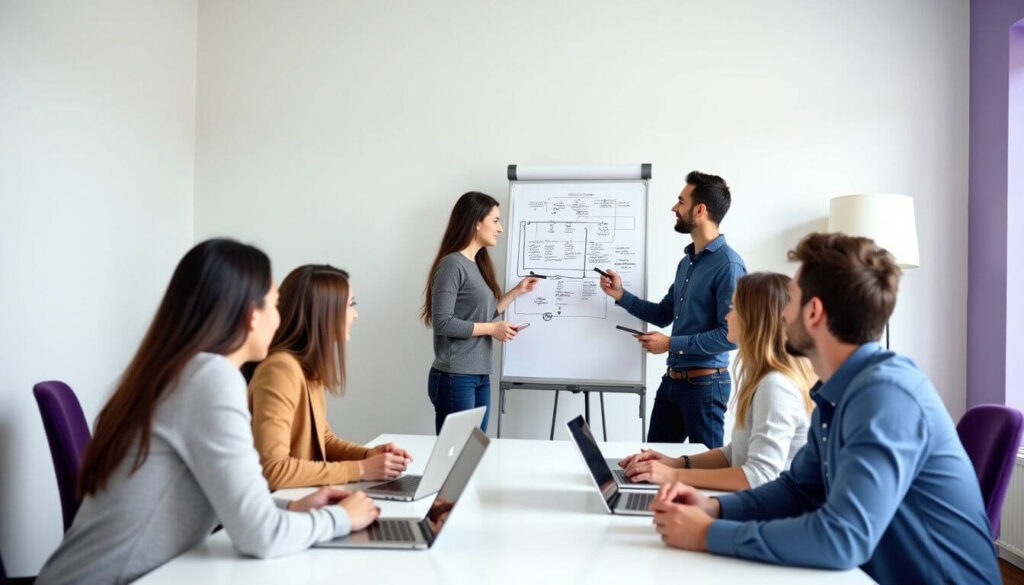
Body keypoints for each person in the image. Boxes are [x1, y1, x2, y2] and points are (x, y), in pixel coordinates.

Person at [649, 232, 1000, 584]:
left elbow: (841, 538)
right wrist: (714, 508)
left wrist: (708, 534)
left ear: (813, 312)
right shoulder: (838, 393)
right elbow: (798, 490)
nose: (782, 312)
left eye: (791, 300)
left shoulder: (885, 397)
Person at [36, 240, 379, 585]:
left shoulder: (180, 371)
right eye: (275, 304)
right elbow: (261, 537)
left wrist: (289, 508)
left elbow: (225, 495)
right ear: (251, 315)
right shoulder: (210, 380)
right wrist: (340, 519)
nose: (280, 318)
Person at [619, 272, 814, 491]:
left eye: (733, 309)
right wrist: (674, 463)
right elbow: (734, 453)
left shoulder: (776, 386)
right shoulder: (762, 378)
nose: (727, 318)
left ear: (755, 318)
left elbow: (759, 476)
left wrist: (672, 475)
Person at [600, 171, 746, 447]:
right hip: (672, 383)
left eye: (681, 202)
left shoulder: (729, 265)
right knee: (652, 462)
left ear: (700, 210)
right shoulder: (687, 262)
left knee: (707, 471)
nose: (674, 208)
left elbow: (731, 336)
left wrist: (670, 344)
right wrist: (620, 295)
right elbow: (664, 314)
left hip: (705, 387)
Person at [248, 264, 412, 490]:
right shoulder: (280, 370)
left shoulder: (305, 368)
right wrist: (362, 470)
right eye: (350, 305)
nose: (356, 314)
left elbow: (322, 439)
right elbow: (274, 470)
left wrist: (367, 455)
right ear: (325, 311)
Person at [422, 191, 539, 433]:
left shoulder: (476, 264)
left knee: (474, 453)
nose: (500, 229)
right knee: (458, 457)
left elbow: (481, 313)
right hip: (456, 376)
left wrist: (516, 292)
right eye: (495, 220)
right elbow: (443, 322)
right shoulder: (452, 265)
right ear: (476, 222)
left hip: (479, 375)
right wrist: (492, 329)